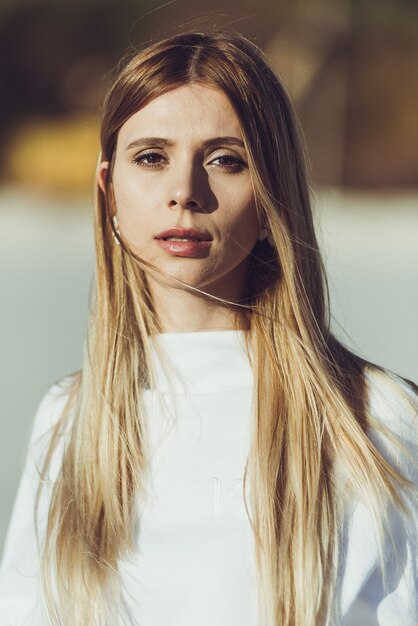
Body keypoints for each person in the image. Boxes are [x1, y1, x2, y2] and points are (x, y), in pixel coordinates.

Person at [0, 30, 417, 626]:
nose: (184, 193)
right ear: (109, 191)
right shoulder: (67, 419)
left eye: (225, 159)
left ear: (274, 195)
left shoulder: (375, 421)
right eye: (151, 157)